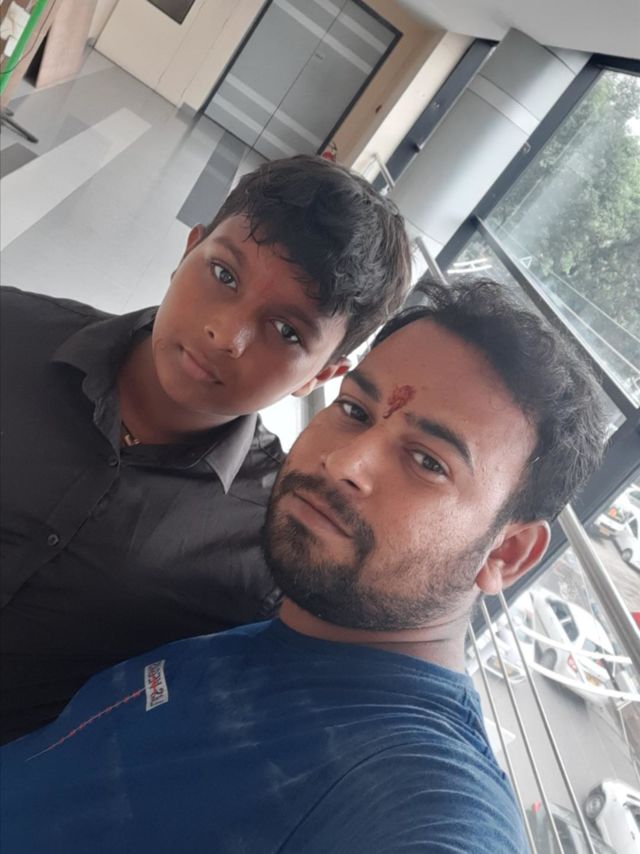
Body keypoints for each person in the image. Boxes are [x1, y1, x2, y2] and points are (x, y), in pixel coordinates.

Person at [0, 279, 606, 853]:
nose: (344, 462)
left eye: (427, 462)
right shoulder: (262, 624)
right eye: (356, 411)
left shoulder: (410, 782)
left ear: (505, 554)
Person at [0, 155, 411, 743]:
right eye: (223, 273)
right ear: (188, 249)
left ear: (321, 375)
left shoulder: (266, 543)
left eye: (287, 331)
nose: (226, 333)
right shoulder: (11, 329)